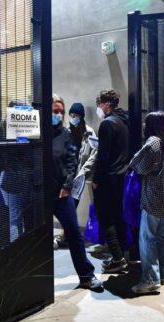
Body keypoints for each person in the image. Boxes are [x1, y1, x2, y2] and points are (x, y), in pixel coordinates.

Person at [51, 94, 102, 289]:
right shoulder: (38, 135)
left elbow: (72, 163)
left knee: (73, 232)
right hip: (39, 192)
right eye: (56, 111)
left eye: (61, 112)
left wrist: (66, 186)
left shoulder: (68, 135)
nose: (60, 114)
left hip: (62, 195)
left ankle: (86, 276)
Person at [128, 112, 164, 294]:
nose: (142, 125)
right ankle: (163, 275)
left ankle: (150, 279)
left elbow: (138, 165)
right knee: (162, 239)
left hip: (154, 198)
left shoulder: (153, 142)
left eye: (145, 122)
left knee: (147, 239)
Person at [92, 89, 131, 273]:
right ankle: (122, 254)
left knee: (105, 218)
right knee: (118, 216)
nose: (99, 108)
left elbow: (103, 156)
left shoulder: (107, 124)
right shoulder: (124, 121)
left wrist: (96, 180)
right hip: (122, 176)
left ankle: (117, 258)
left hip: (108, 178)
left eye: (99, 104)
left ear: (106, 104)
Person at [0, 100, 34, 242]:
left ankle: (18, 250)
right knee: (17, 218)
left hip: (10, 177)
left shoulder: (1, 129)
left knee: (16, 217)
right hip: (16, 177)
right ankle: (17, 253)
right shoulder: (21, 131)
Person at [68, 102, 98, 208]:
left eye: (75, 115)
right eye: (71, 115)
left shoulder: (89, 132)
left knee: (74, 203)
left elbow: (95, 153)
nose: (73, 118)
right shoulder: (67, 131)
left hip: (80, 174)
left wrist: (85, 171)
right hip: (67, 175)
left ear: (81, 117)